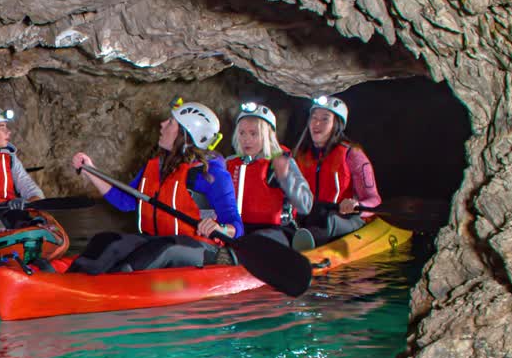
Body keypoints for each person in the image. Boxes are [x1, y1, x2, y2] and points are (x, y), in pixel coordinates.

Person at [67, 99, 243, 273]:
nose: (162, 124)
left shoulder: (213, 175)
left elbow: (236, 226)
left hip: (198, 249)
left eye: (171, 123)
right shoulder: (157, 165)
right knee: (108, 241)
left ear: (185, 135)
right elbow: (125, 201)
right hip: (154, 240)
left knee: (163, 249)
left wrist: (220, 228)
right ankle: (74, 277)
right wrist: (90, 171)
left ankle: (119, 282)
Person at [225, 102, 315, 250]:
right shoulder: (229, 163)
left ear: (267, 135)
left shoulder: (281, 162)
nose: (246, 139)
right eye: (242, 133)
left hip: (276, 231)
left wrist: (286, 177)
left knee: (254, 242)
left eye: (253, 134)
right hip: (238, 229)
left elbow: (306, 206)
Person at [293, 95, 381, 244]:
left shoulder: (353, 155)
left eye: (325, 119)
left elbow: (375, 200)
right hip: (311, 216)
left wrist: (357, 206)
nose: (317, 123)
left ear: (337, 124)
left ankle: (306, 244)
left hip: (343, 217)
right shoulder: (299, 156)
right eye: (313, 118)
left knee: (328, 221)